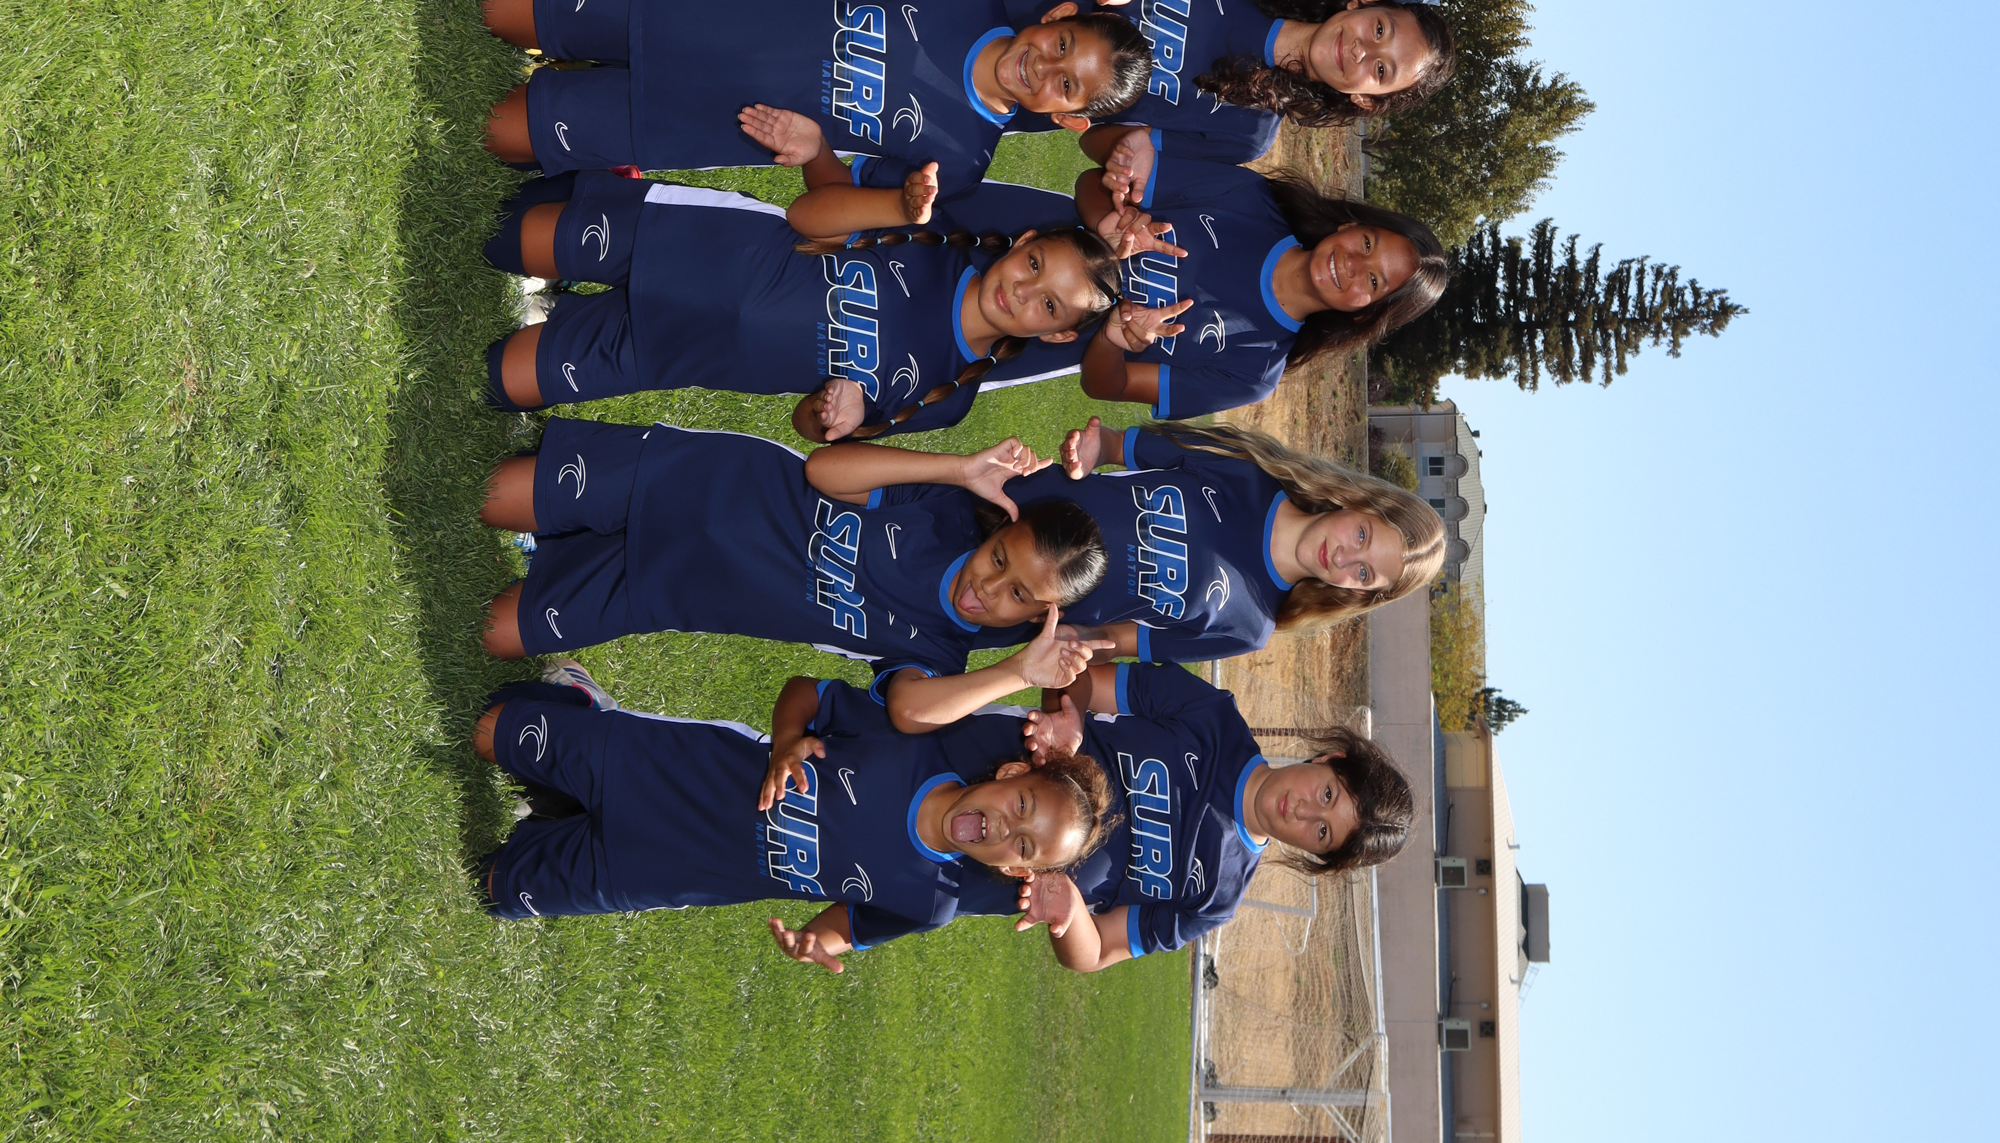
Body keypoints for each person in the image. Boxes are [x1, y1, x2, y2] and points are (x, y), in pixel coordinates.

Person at [474, 662, 1113, 949]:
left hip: (659, 870)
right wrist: (785, 743)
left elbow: (849, 927)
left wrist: (815, 941)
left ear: (1013, 869)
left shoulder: (933, 902)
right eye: (1021, 803)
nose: (1005, 826)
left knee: (496, 888)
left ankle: (557, 814)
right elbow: (806, 694)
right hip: (667, 771)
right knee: (488, 727)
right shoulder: (915, 743)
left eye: (1023, 845)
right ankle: (586, 709)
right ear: (1009, 772)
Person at [478, 167, 1168, 431]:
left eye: (1048, 307)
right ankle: (591, 198)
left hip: (672, 351)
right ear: (1024, 242)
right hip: (691, 244)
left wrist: (833, 413)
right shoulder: (941, 235)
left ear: (1056, 336)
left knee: (495, 383)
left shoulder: (947, 394)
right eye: (1035, 264)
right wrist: (848, 175)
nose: (1022, 289)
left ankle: (566, 314)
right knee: (499, 234)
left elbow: (811, 431)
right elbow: (814, 212)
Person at [476, 0, 1149, 196]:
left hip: (694, 122)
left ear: (1066, 118)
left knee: (496, 131)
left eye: (1066, 85)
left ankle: (564, 103)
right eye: (1063, 46)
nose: (1044, 67)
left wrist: (816, 151)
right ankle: (559, 40)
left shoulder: (960, 160)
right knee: (497, 6)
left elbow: (834, 197)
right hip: (684, 11)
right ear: (1058, 16)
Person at [475, 418, 1112, 677]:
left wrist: (1012, 675)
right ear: (996, 531)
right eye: (999, 558)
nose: (987, 588)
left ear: (1038, 618)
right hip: (689, 482)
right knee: (489, 495)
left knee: (493, 634)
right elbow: (823, 470)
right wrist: (955, 469)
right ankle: (554, 526)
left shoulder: (941, 652)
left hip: (668, 588)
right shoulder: (943, 511)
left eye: (1017, 594)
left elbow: (911, 714)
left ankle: (557, 552)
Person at [840, 412, 1447, 665]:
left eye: (1364, 572)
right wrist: (1090, 450)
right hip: (991, 510)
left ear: (1358, 594)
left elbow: (1121, 640)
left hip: (998, 609)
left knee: (839, 600)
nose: (1346, 556)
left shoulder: (1250, 627)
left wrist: (1075, 643)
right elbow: (1116, 446)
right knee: (837, 501)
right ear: (1356, 502)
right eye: (1363, 534)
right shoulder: (1247, 468)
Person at [958, 151, 1447, 417]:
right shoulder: (1250, 198)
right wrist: (1110, 221)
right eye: (1366, 243)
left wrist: (1113, 340)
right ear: (1350, 226)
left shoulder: (1255, 371)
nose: (1353, 264)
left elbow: (1106, 385)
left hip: (1003, 341)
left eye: (1374, 280)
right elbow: (1092, 178)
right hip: (992, 224)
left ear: (1366, 313)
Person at [1014, 664, 1413, 970]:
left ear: (1318, 853)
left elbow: (1098, 949)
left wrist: (1067, 912)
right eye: (1327, 793)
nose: (1304, 811)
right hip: (1002, 752)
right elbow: (1077, 680)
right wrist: (1065, 729)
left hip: (1002, 876)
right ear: (1329, 759)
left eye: (1322, 832)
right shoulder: (1212, 717)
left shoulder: (1217, 898)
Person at [950, 0, 1453, 163]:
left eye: (1382, 71)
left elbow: (1094, 142)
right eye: (1380, 30)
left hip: (997, 98)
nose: (1365, 51)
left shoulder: (1247, 135)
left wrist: (1129, 157)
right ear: (1364, 3)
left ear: (1365, 99)